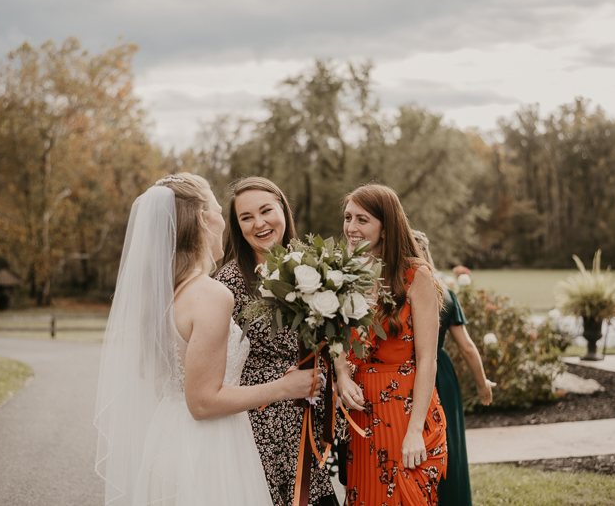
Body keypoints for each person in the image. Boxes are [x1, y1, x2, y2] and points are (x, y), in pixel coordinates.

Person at [94, 174, 319, 506]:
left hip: (167, 440)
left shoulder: (166, 293)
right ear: (203, 219)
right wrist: (286, 387)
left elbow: (158, 376)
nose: (225, 222)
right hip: (210, 450)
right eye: (218, 209)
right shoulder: (211, 294)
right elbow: (202, 403)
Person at [214, 177, 338, 506]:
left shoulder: (311, 265)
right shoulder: (229, 282)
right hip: (262, 425)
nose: (260, 223)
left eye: (266, 210)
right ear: (237, 227)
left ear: (283, 208)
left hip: (305, 417)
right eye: (246, 217)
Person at [335, 184, 448, 506]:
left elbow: (428, 359)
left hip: (407, 410)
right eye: (347, 218)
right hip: (363, 415)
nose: (351, 228)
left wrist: (414, 432)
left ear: (386, 227)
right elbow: (337, 339)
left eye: (362, 219)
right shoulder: (343, 275)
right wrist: (342, 375)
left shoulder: (416, 275)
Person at [412, 230, 494, 506]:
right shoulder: (444, 294)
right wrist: (483, 385)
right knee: (448, 445)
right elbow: (468, 347)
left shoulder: (400, 292)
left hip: (408, 372)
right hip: (440, 371)